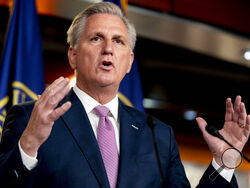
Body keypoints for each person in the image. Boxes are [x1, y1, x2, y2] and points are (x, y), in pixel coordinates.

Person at [0, 2, 249, 188]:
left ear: (129, 62)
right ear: (73, 55)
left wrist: (223, 161)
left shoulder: (157, 135)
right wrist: (29, 145)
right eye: (96, 38)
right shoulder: (31, 120)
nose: (108, 49)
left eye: (118, 41)